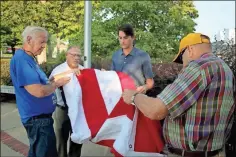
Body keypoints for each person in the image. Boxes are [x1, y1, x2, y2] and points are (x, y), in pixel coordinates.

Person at [122, 33, 235, 157]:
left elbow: (156, 110)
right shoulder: (226, 70)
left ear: (190, 49)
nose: (183, 64)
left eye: (182, 57)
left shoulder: (198, 67)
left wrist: (134, 97)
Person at [10, 26, 71, 157]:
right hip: (38, 121)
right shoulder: (22, 60)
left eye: (45, 42)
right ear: (29, 39)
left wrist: (51, 81)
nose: (44, 45)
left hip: (40, 120)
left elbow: (40, 83)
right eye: (41, 42)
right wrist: (56, 84)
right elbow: (38, 91)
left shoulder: (29, 58)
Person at [49, 46, 83, 157]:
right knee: (61, 140)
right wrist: (70, 72)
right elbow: (50, 81)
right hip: (62, 110)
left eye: (78, 55)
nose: (76, 57)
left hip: (79, 111)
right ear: (67, 55)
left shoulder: (83, 70)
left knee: (77, 139)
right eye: (73, 55)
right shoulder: (59, 69)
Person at [111, 24, 154, 94]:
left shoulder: (143, 56)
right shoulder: (115, 56)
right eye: (120, 38)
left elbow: (150, 82)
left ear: (133, 37)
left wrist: (144, 87)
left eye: (125, 38)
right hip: (118, 98)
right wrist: (105, 74)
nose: (122, 41)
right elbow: (113, 78)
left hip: (136, 99)